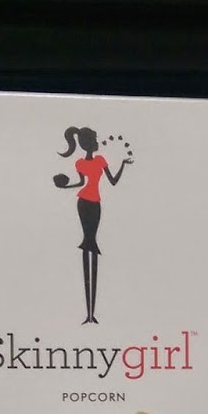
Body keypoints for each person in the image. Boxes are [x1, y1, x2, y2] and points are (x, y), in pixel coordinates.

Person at [54, 126, 132, 324]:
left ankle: (91, 314)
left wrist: (122, 165)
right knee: (87, 242)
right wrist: (64, 185)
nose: (97, 142)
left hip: (95, 204)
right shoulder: (80, 163)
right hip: (84, 203)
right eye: (95, 139)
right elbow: (81, 183)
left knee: (92, 242)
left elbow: (112, 181)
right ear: (88, 143)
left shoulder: (100, 160)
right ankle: (89, 314)